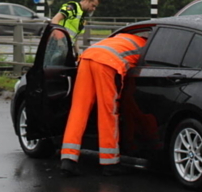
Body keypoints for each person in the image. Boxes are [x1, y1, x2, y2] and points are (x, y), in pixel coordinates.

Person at [60, 30, 147, 177]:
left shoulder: (123, 37)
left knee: (78, 110)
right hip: (108, 63)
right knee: (108, 112)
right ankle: (110, 162)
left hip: (87, 57)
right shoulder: (145, 48)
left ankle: (68, 159)